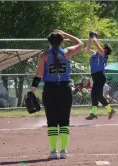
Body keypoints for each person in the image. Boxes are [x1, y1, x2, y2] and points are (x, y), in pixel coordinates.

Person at [30, 30, 83, 159]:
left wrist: (32, 89)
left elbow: (39, 74)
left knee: (52, 121)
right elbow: (80, 43)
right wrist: (66, 34)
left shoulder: (44, 55)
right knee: (65, 121)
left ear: (49, 42)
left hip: (50, 90)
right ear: (61, 41)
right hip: (65, 89)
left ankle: (54, 151)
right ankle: (63, 151)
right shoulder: (67, 52)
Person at [86, 31, 116, 120]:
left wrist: (94, 36)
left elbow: (97, 45)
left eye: (103, 48)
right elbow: (87, 50)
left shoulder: (103, 55)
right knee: (98, 96)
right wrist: (90, 38)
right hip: (96, 77)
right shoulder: (96, 54)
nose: (101, 48)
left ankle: (94, 113)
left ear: (105, 50)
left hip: (100, 76)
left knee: (94, 95)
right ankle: (110, 110)